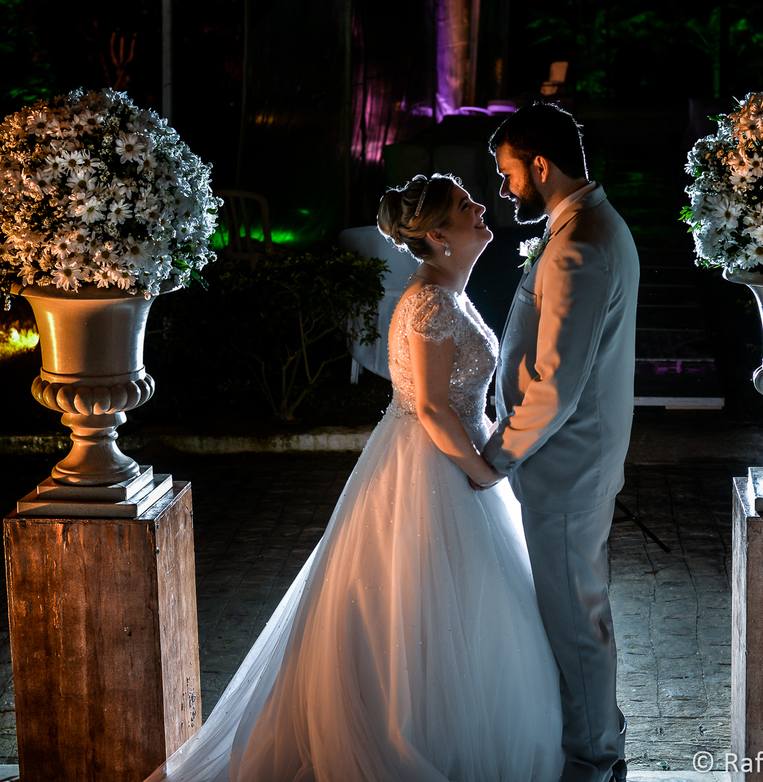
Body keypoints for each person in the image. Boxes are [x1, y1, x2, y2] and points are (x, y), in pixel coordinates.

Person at [145, 174, 563, 782]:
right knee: (420, 609)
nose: (481, 207)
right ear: (439, 235)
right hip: (435, 470)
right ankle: (416, 739)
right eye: (464, 205)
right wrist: (486, 474)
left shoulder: (448, 294)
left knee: (458, 616)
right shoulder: (429, 304)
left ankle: (450, 731)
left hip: (447, 462)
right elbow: (432, 408)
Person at [480, 103, 640, 782]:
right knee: (576, 611)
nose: (504, 189)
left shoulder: (580, 244)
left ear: (540, 166)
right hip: (568, 464)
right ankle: (595, 745)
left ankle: (595, 758)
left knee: (576, 620)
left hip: (566, 467)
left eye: (508, 173)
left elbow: (555, 385)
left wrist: (494, 457)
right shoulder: (580, 226)